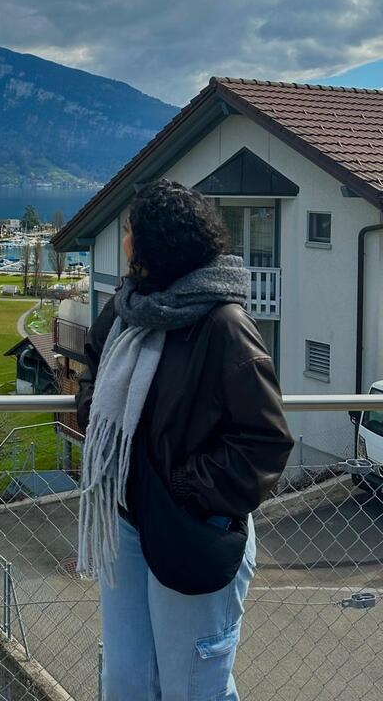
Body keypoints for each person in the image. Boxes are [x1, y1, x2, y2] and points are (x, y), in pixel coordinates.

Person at [76, 180, 293, 701]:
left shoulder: (224, 325)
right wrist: (93, 413)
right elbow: (93, 366)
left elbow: (264, 442)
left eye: (130, 231)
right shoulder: (128, 306)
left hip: (190, 528)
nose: (124, 240)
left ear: (154, 245)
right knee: (126, 682)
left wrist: (179, 486)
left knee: (192, 689)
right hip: (127, 522)